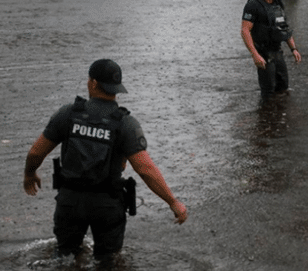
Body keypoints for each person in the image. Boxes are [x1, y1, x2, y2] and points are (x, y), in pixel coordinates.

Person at [23, 59, 187, 260]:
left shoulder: (68, 114)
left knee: (65, 258)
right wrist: (173, 201)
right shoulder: (125, 123)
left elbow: (36, 153)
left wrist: (29, 174)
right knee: (110, 263)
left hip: (70, 202)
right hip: (107, 204)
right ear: (116, 88)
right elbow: (145, 169)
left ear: (92, 83)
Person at [241, 0, 302, 98]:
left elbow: (283, 27)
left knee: (283, 88)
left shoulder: (278, 2)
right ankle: (264, 115)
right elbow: (245, 31)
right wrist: (255, 55)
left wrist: (293, 49)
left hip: (277, 52)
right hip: (263, 53)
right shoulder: (253, 4)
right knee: (268, 91)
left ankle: (280, 116)